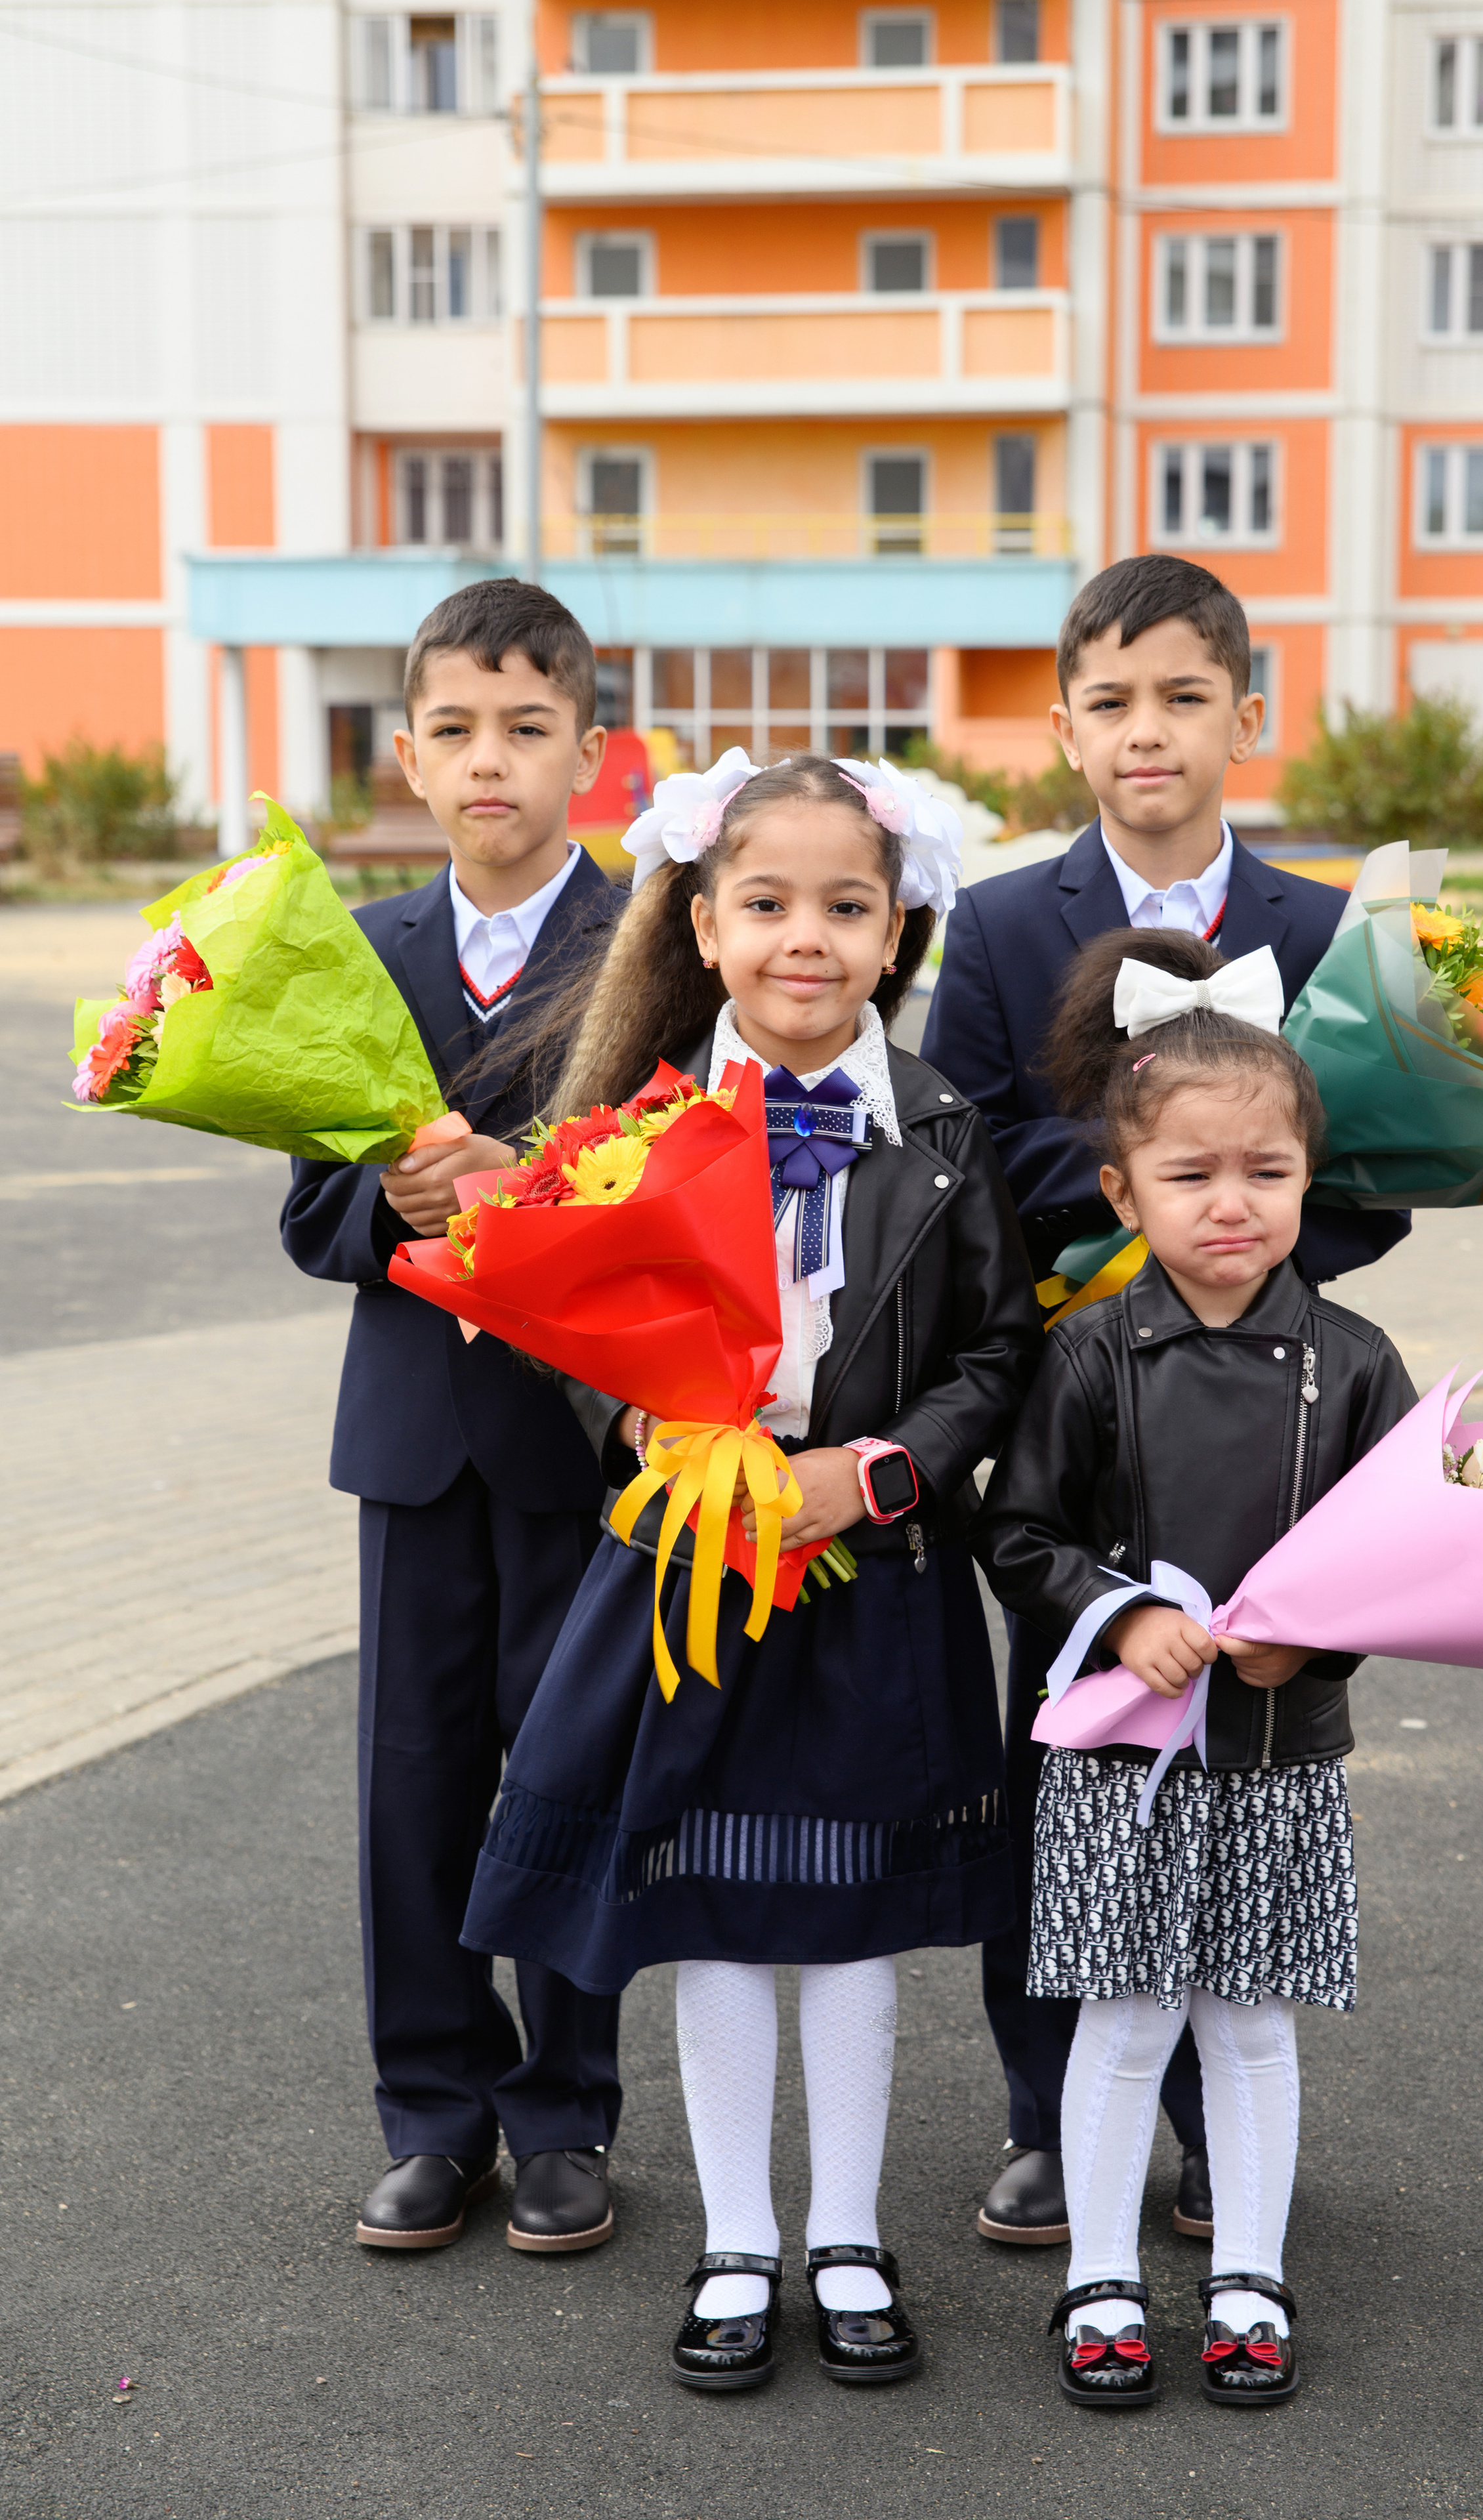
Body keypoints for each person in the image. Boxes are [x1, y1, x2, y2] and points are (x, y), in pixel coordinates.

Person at [459, 751, 1043, 2391]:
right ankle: (736, 2238)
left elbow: (996, 1350)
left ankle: (846, 2231)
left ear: (895, 925)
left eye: (846, 907)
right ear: (703, 928)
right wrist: (650, 1433)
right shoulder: (632, 1128)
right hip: (693, 1578)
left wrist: (875, 1470)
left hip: (874, 1574)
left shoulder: (941, 1128)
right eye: (768, 904)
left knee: (847, 1917)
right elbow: (561, 1328)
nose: (809, 938)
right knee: (712, 1909)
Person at [922, 553, 1411, 2249]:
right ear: (1065, 726)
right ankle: (1052, 2118)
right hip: (1082, 1407)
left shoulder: (1327, 928)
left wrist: (1239, 1235)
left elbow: (1374, 1185)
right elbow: (965, 1160)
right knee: (1065, 1765)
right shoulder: (994, 926)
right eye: (1115, 701)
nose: (1151, 732)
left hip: (1261, 1415)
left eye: (1186, 697)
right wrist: (1135, 1202)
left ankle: (1218, 2130)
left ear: (1246, 716)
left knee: (1247, 1769)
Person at [972, 924, 1415, 2406]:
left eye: (1265, 1174)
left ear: (1308, 1176)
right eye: (1189, 1175)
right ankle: (1100, 2277)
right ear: (1121, 1191)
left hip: (1280, 1752)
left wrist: (1320, 1637)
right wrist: (1114, 1611)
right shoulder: (1091, 1356)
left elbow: (1400, 1557)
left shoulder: (1353, 1360)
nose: (1230, 1205)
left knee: (1248, 2020)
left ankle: (1246, 2276)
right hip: (1122, 1749)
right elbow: (1016, 1530)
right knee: (1122, 2017)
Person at [280, 579, 625, 2255]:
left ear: (589, 753)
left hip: (579, 1444)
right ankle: (433, 2110)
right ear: (407, 755)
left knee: (565, 1774)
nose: (491, 762)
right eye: (457, 731)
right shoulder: (356, 958)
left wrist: (534, 1202)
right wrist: (398, 1219)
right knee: (411, 1785)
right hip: (414, 1445)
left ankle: (562, 2117)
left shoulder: (649, 948)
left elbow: (678, 1213)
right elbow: (308, 1216)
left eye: (528, 730)